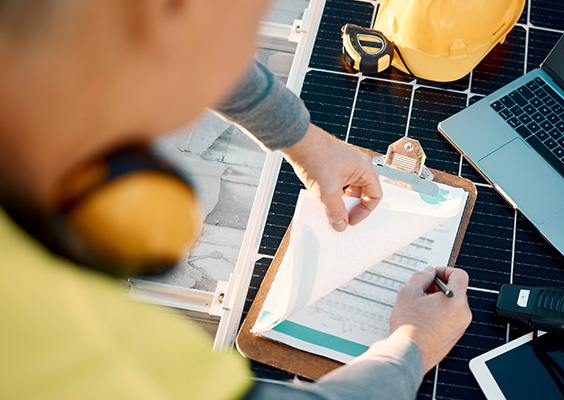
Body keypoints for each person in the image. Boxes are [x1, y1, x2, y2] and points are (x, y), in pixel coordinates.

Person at [0, 0, 472, 399]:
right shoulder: (81, 345)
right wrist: (408, 348)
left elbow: (185, 47)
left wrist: (303, 139)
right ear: (163, 15)